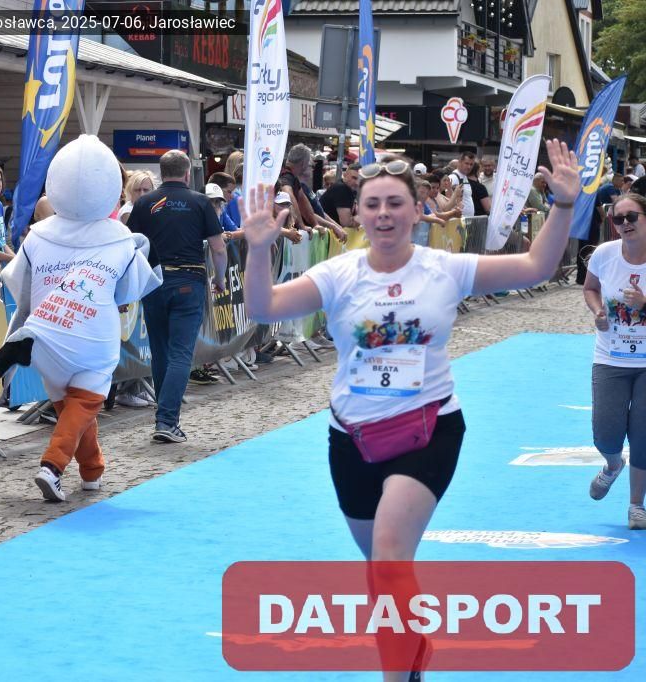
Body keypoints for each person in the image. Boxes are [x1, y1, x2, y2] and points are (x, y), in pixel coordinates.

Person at [241, 141, 579, 680]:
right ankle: (414, 649)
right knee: (381, 570)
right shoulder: (338, 274)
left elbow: (536, 267)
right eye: (372, 204)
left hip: (429, 429)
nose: (383, 214)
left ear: (418, 210)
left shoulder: (445, 269)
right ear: (359, 213)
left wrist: (562, 204)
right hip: (352, 436)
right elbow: (264, 307)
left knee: (390, 553)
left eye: (395, 203)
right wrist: (259, 250)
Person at [0, 135, 159, 501]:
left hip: (45, 337)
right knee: (84, 403)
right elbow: (129, 291)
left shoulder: (38, 235)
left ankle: (92, 470)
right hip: (93, 337)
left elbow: (20, 286)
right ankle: (52, 466)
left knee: (74, 410)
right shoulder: (121, 239)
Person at [127, 149, 227, 443]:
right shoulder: (200, 202)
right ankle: (167, 420)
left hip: (154, 282)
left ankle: (165, 418)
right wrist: (220, 278)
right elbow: (219, 248)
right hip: (188, 281)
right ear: (187, 174)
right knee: (181, 353)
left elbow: (129, 246)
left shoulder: (144, 203)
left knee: (160, 352)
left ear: (161, 173)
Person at [582, 193, 646, 529]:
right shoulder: (604, 254)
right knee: (605, 433)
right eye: (618, 219)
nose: (624, 224)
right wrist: (598, 312)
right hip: (610, 357)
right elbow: (590, 288)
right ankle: (612, 465)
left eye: (631, 216)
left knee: (644, 436)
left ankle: (636, 505)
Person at [319, 163, 360, 228]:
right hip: (323, 230)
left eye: (360, 179)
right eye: (354, 178)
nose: (357, 182)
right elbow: (346, 223)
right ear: (345, 175)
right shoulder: (341, 189)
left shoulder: (350, 189)